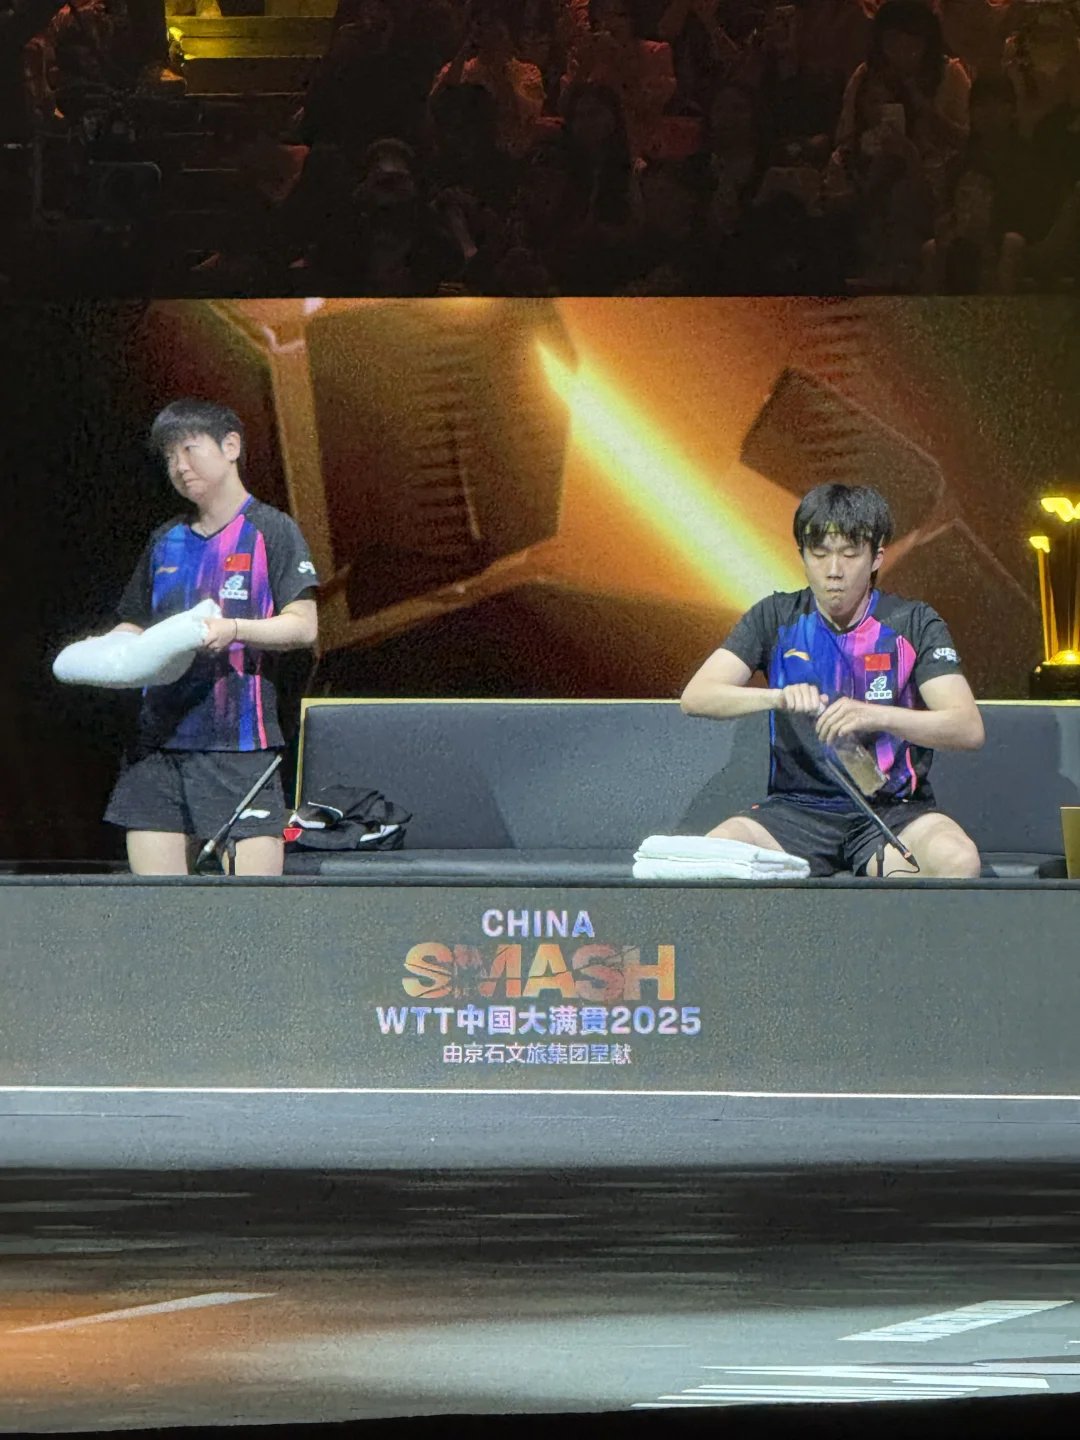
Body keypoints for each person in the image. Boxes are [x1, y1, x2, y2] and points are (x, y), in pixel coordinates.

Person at [680, 483, 984, 878]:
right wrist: (777, 698)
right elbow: (696, 697)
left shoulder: (914, 623)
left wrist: (875, 715)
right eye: (819, 553)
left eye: (849, 554)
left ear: (876, 557)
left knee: (957, 860)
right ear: (802, 555)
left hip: (893, 812)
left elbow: (967, 728)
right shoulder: (776, 617)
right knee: (714, 856)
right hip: (795, 812)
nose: (833, 570)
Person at [103, 399, 319, 876]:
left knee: (253, 910)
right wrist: (108, 653)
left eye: (189, 449)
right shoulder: (165, 540)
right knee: (158, 909)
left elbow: (304, 626)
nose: (179, 466)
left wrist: (234, 629)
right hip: (158, 749)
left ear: (230, 446)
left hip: (238, 745)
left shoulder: (271, 531)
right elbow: (133, 623)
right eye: (169, 457)